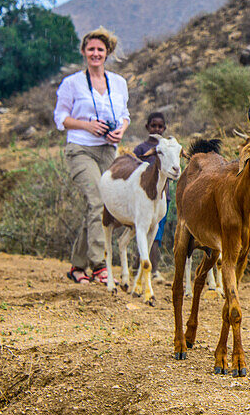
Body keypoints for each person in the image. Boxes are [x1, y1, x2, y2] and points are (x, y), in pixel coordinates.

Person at [53, 27, 130, 284]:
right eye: (91, 49)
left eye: (100, 49)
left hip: (109, 150)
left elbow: (125, 115)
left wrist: (121, 130)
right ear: (84, 52)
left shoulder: (118, 82)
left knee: (103, 206)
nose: (95, 53)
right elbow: (60, 118)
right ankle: (99, 266)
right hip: (80, 149)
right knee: (96, 201)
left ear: (107, 52)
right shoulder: (72, 83)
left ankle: (77, 266)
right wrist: (87, 125)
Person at [133, 111, 170, 272]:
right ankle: (141, 267)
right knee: (141, 231)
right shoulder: (141, 149)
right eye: (153, 125)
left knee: (156, 234)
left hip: (163, 198)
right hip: (143, 199)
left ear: (165, 128)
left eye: (160, 126)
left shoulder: (167, 148)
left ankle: (153, 270)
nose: (157, 129)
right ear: (147, 127)